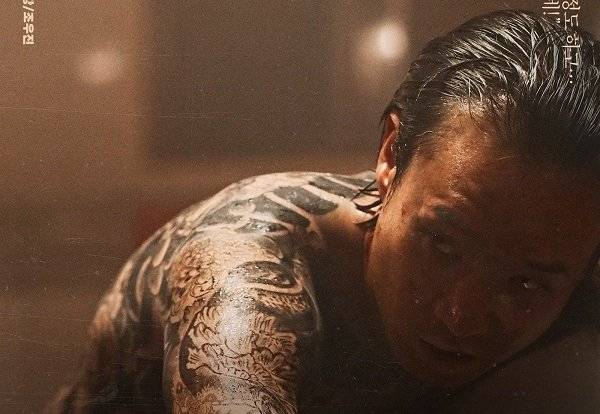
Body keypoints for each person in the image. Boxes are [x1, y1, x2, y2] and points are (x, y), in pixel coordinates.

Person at [50, 9, 599, 414]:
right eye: (443, 246)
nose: (461, 316)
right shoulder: (244, 278)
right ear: (391, 155)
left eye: (525, 285)